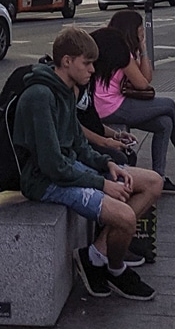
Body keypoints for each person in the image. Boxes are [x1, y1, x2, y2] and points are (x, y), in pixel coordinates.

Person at [12, 24, 162, 300]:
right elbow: (52, 165)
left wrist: (106, 164)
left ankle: (95, 256)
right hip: (44, 182)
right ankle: (115, 270)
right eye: (87, 63)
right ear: (67, 61)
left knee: (153, 182)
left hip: (68, 169)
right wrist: (102, 184)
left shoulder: (67, 89)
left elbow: (79, 145)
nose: (93, 70)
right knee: (126, 217)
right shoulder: (40, 97)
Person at [91, 9, 175, 192]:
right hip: (111, 106)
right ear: (132, 31)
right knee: (169, 105)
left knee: (164, 123)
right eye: (140, 31)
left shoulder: (113, 46)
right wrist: (143, 49)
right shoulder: (122, 52)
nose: (142, 35)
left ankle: (159, 178)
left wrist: (142, 50)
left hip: (107, 104)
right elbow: (143, 84)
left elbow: (146, 77)